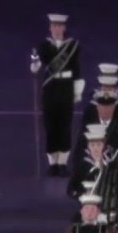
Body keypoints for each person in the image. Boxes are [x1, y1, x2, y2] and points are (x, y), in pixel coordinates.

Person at [31, 13, 84, 176]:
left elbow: (77, 69)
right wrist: (34, 60)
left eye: (59, 26)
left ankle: (62, 162)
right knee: (50, 125)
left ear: (64, 28)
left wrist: (77, 91)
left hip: (66, 87)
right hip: (50, 88)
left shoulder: (73, 45)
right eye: (54, 26)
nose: (57, 29)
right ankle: (52, 163)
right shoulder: (43, 46)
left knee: (65, 124)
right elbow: (35, 69)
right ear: (50, 27)